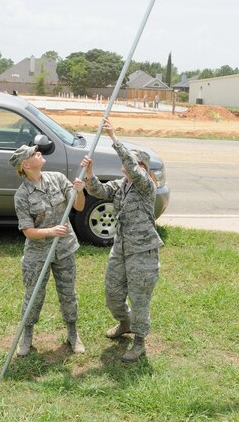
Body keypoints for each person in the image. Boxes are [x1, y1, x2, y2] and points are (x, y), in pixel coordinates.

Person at [81, 119, 163, 362]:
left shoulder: (146, 186)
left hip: (142, 251)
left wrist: (114, 138)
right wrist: (89, 173)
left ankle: (139, 342)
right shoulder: (121, 185)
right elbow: (99, 191)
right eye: (129, 163)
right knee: (112, 293)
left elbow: (134, 169)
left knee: (139, 299)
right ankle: (124, 323)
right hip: (121, 247)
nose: (129, 166)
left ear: (143, 169)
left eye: (136, 164)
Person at [10, 144, 87, 356]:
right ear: (26, 164)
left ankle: (73, 333)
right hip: (38, 253)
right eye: (34, 154)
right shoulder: (22, 195)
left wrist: (79, 191)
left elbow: (79, 206)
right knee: (34, 295)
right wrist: (51, 231)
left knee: (68, 293)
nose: (39, 153)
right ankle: (27, 336)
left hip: (64, 249)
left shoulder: (58, 178)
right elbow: (28, 231)